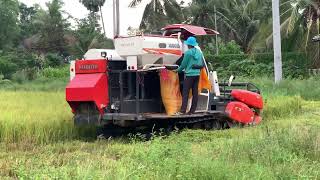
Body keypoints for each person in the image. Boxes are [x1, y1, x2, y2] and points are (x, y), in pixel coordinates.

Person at [174, 36, 204, 115]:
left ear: (188, 45)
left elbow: (183, 65)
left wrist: (177, 70)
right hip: (197, 74)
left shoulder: (188, 53)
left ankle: (182, 111)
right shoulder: (199, 52)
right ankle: (192, 111)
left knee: (185, 92)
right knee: (195, 93)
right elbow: (201, 63)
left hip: (189, 75)